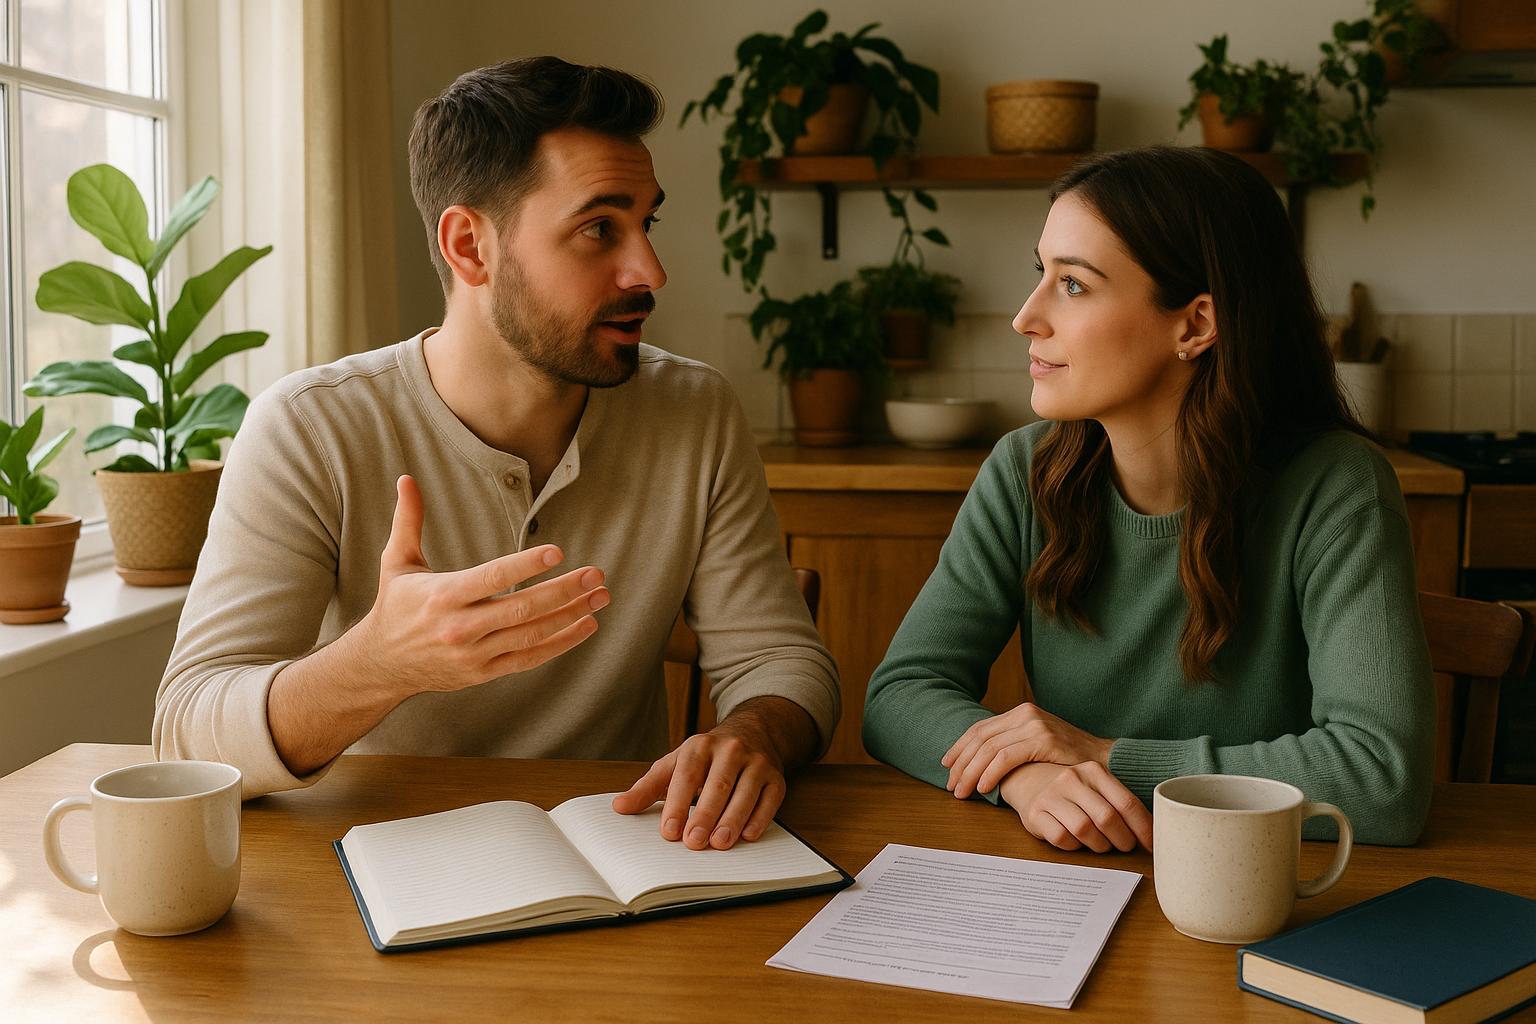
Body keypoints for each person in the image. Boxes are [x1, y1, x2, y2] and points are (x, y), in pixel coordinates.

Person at [155, 57, 839, 853]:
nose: (649, 270)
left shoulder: (695, 412)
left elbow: (783, 660)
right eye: (598, 229)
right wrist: (380, 662)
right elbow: (187, 731)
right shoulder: (309, 428)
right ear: (470, 245)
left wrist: (755, 732)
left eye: (645, 223)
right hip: (376, 866)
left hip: (627, 862)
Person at [862, 146, 1435, 853]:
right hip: (1075, 890)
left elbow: (1382, 781)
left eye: (1072, 285)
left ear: (1194, 325)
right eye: (1039, 274)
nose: (1025, 317)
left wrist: (1104, 758)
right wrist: (1024, 780)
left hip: (1267, 896)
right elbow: (899, 695)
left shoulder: (1336, 487)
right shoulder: (1023, 472)